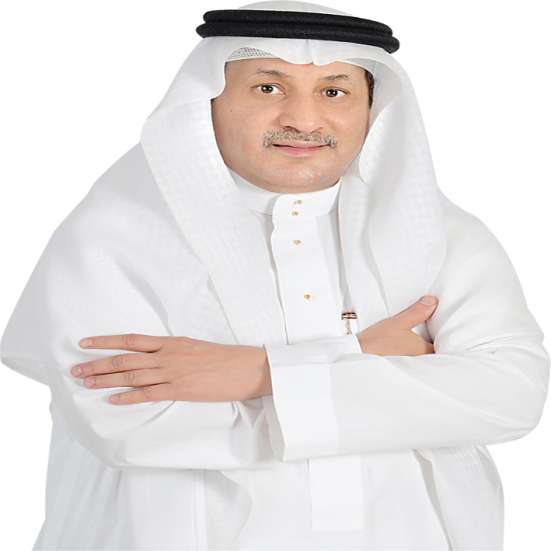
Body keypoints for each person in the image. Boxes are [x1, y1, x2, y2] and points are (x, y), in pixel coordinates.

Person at [1, 1, 548, 549]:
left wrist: (255, 372)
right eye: (268, 88)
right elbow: (128, 427)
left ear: (371, 108)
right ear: (209, 100)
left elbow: (510, 396)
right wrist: (366, 361)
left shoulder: (443, 233)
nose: (303, 120)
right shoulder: (115, 234)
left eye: (334, 92)